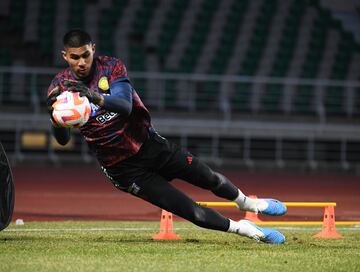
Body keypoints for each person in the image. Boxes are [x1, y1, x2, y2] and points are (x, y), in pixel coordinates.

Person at [46, 29, 287, 244]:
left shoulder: (110, 66)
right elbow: (63, 140)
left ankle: (248, 203)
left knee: (209, 177)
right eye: (75, 57)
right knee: (191, 211)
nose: (81, 62)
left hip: (150, 144)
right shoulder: (60, 88)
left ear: (93, 50)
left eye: (85, 55)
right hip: (123, 169)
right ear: (65, 56)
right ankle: (246, 230)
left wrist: (94, 97)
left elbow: (125, 105)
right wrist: (54, 118)